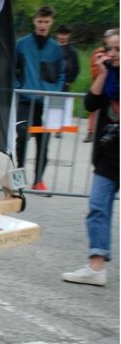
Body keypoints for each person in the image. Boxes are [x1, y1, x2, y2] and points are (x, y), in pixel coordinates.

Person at [62, 29, 119, 287]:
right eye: (110, 49)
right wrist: (103, 74)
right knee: (97, 207)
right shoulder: (109, 77)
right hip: (108, 156)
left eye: (118, 49)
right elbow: (90, 105)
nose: (112, 54)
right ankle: (96, 267)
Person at [14, 6, 64, 191]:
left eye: (47, 22)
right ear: (34, 21)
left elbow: (61, 74)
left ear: (51, 22)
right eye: (40, 21)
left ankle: (39, 180)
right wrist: (19, 88)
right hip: (26, 100)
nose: (43, 25)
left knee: (44, 142)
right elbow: (12, 70)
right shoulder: (22, 44)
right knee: (22, 137)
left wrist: (55, 92)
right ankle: (19, 177)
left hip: (47, 102)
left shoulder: (56, 48)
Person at [84, 42, 108, 143]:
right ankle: (91, 131)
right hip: (98, 84)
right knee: (93, 111)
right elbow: (94, 70)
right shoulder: (98, 53)